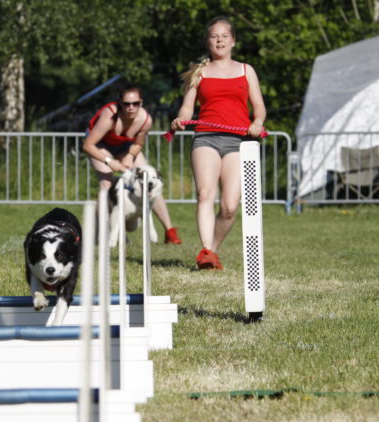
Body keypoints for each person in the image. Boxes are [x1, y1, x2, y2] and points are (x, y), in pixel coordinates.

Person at [171, 16, 266, 270]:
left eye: (225, 36)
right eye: (214, 36)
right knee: (205, 194)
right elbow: (187, 109)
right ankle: (206, 253)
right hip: (206, 138)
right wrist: (180, 120)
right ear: (208, 41)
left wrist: (257, 122)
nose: (220, 40)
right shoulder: (198, 73)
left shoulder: (247, 71)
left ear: (233, 41)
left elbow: (259, 108)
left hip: (238, 141)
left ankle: (211, 251)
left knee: (229, 206)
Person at [83, 86, 182, 244]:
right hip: (99, 145)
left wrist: (129, 156)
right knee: (106, 184)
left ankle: (169, 231)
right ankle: (104, 232)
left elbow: (138, 143)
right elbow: (88, 145)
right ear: (120, 103)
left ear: (141, 103)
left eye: (135, 103)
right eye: (126, 104)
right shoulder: (109, 116)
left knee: (151, 181)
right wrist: (110, 162)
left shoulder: (145, 120)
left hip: (125, 146)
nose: (131, 108)